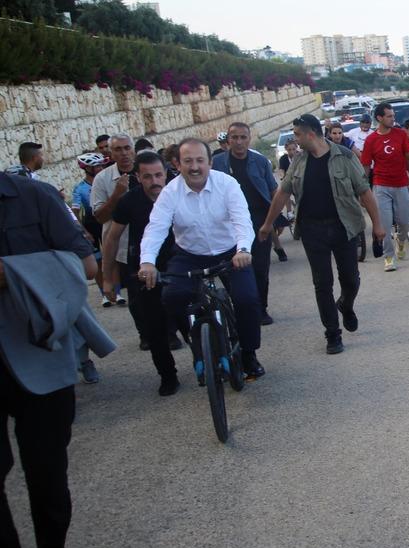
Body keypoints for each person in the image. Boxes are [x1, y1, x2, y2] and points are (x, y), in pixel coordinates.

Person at [0, 170, 106, 548]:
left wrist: (10, 273)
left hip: (39, 352)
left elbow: (86, 265)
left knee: (46, 473)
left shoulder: (33, 197)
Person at [137, 138, 265, 382]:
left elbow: (241, 220)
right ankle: (197, 339)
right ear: (178, 164)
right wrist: (147, 262)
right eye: (188, 161)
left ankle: (249, 353)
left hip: (231, 252)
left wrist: (244, 249)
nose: (194, 167)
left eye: (199, 161)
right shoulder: (170, 193)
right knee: (172, 296)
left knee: (247, 299)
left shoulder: (227, 184)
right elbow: (155, 229)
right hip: (190, 255)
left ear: (209, 162)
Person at [259, 115, 385, 355]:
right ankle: (332, 335)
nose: (294, 140)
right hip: (312, 229)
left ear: (310, 134)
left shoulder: (344, 157)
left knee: (350, 279)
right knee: (322, 282)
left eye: (297, 134)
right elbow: (283, 193)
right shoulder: (298, 161)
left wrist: (377, 225)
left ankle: (345, 304)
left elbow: (365, 192)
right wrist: (267, 224)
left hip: (343, 227)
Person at [102, 151, 181, 395]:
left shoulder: (180, 194)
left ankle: (207, 363)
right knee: (154, 327)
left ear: (166, 173)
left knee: (192, 318)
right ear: (138, 177)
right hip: (146, 269)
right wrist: (108, 278)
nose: (154, 181)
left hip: (181, 263)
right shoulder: (129, 201)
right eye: (147, 176)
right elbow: (112, 238)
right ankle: (167, 375)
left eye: (159, 175)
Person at [212, 123, 278, 323]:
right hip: (227, 224)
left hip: (258, 221)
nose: (239, 142)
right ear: (228, 140)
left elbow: (273, 192)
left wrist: (273, 220)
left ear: (249, 139)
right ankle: (239, 306)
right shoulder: (216, 163)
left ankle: (260, 308)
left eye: (243, 137)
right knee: (230, 268)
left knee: (259, 268)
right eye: (234, 137)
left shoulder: (260, 161)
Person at [91, 134, 142, 334]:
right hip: (123, 247)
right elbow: (100, 217)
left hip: (152, 242)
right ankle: (145, 333)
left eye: (127, 148)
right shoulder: (103, 179)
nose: (124, 153)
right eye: (118, 149)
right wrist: (116, 195)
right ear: (111, 154)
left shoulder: (146, 172)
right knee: (137, 296)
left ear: (133, 149)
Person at [360, 103, 409, 271]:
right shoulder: (371, 140)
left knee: (405, 221)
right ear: (379, 118)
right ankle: (389, 257)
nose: (393, 119)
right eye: (389, 116)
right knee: (384, 224)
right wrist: (363, 190)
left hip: (401, 184)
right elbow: (365, 166)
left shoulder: (400, 134)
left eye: (393, 115)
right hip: (381, 185)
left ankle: (401, 241)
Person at [70, 152, 111, 310]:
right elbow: (75, 211)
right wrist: (83, 230)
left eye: (101, 165)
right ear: (86, 168)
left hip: (106, 221)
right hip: (91, 225)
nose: (101, 168)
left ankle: (117, 290)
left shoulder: (106, 182)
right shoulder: (79, 188)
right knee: (98, 260)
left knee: (110, 256)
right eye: (97, 166)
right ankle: (104, 294)